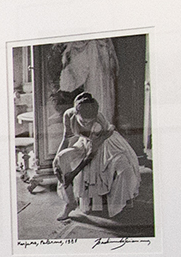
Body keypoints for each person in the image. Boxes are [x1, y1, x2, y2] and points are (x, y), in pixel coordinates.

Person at [52, 91, 140, 222]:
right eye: (83, 121)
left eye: (90, 121)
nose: (87, 124)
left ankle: (117, 205)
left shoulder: (98, 123)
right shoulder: (68, 115)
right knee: (61, 160)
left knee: (123, 169)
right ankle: (70, 203)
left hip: (108, 145)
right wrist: (56, 160)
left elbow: (90, 154)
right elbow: (66, 139)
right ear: (75, 113)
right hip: (84, 143)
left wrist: (73, 174)